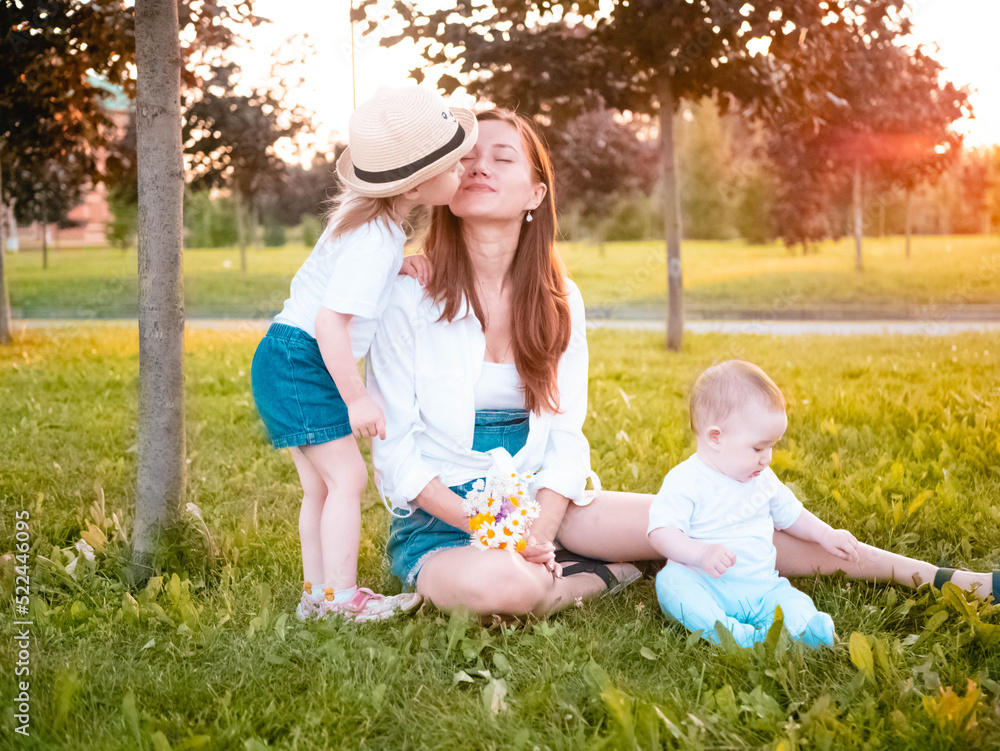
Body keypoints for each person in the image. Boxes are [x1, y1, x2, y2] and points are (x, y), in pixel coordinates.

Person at [368, 109, 1000, 619]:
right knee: (500, 591)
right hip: (442, 516)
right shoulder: (407, 293)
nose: (479, 167)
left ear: (536, 192)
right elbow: (396, 453)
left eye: (501, 156)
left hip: (542, 498)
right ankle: (603, 573)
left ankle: (950, 580)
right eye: (467, 159)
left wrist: (544, 519)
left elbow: (565, 435)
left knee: (732, 520)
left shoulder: (559, 301)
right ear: (445, 185)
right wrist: (489, 524)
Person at [250, 86, 477, 622]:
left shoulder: (371, 228)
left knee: (321, 486)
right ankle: (343, 599)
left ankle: (319, 595)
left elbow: (333, 280)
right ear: (419, 184)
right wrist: (356, 397)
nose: (465, 168)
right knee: (347, 481)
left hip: (286, 355)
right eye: (455, 163)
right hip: (304, 361)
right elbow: (330, 322)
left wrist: (396, 265)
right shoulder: (375, 240)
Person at [648, 360, 858, 647]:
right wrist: (700, 554)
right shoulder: (686, 480)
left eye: (772, 446)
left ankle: (806, 630)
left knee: (792, 600)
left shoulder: (764, 480)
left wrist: (825, 534)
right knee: (671, 583)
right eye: (759, 447)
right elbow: (661, 532)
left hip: (762, 588)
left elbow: (792, 514)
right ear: (715, 438)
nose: (767, 457)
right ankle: (728, 633)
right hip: (705, 583)